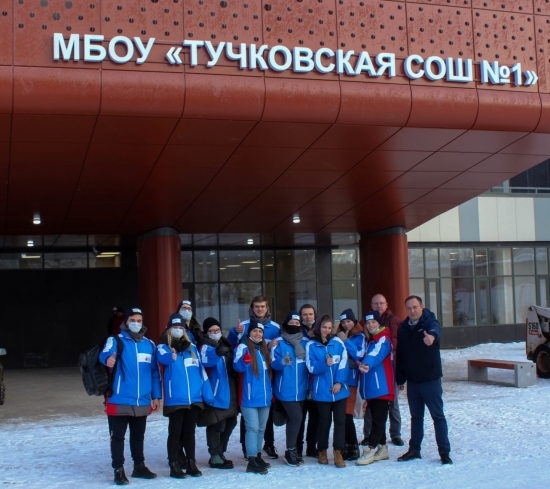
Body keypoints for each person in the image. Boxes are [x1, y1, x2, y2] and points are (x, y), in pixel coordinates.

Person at [99, 307, 161, 486]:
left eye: (139, 320)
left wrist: (156, 396)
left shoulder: (149, 344)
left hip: (142, 399)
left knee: (138, 436)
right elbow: (104, 354)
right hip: (119, 397)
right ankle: (118, 469)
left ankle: (139, 466)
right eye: (132, 320)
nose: (136, 323)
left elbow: (154, 372)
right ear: (126, 322)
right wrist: (107, 359)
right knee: (118, 436)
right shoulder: (115, 340)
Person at [156, 313, 214, 479]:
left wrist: (207, 394)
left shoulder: (192, 348)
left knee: (190, 432)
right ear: (169, 329)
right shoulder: (163, 347)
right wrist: (171, 355)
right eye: (175, 327)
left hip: (194, 398)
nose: (178, 330)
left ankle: (190, 462)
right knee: (175, 432)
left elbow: (201, 372)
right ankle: (174, 463)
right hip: (176, 398)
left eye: (180, 327)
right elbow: (162, 358)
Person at [396, 295, 452, 465]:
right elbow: (401, 354)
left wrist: (432, 337)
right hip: (413, 381)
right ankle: (414, 449)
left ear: (422, 307)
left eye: (415, 307)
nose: (412, 311)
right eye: (409, 308)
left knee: (438, 416)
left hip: (430, 379)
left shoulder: (429, 322)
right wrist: (400, 378)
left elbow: (435, 330)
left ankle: (444, 452)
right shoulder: (403, 328)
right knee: (416, 417)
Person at [228, 295, 280, 459]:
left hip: (264, 393)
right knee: (251, 426)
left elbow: (272, 363)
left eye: (262, 306)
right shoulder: (243, 334)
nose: (260, 309)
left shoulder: (272, 333)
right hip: (249, 393)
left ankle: (259, 452)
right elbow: (235, 359)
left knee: (261, 427)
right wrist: (235, 333)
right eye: (257, 306)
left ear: (267, 308)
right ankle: (250, 453)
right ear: (252, 308)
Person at [305, 314, 350, 468]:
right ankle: (322, 450)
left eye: (330, 328)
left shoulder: (337, 342)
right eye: (324, 327)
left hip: (339, 390)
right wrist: (325, 364)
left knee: (340, 422)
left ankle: (338, 452)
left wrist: (339, 382)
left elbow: (344, 363)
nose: (327, 330)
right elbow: (311, 367)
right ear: (319, 327)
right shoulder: (311, 345)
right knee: (324, 422)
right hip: (322, 391)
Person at [197, 317, 238, 470]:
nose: (215, 333)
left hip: (230, 390)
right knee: (216, 424)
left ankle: (220, 452)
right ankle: (215, 455)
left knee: (231, 422)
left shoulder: (225, 344)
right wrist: (216, 353)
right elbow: (207, 360)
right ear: (206, 332)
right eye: (211, 330)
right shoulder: (205, 346)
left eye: (217, 330)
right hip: (215, 391)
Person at [362, 293, 404, 446]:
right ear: (371, 305)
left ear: (386, 305)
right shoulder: (364, 323)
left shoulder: (396, 321)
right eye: (376, 303)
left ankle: (395, 434)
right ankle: (369, 435)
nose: (379, 306)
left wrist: (401, 374)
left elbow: (401, 349)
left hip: (390, 370)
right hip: (372, 373)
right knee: (372, 407)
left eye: (381, 303)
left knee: (393, 405)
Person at [234, 318, 273, 475]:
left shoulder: (264, 349)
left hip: (264, 397)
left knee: (261, 428)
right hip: (248, 397)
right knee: (252, 428)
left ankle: (257, 456)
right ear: (249, 332)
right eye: (255, 331)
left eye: (260, 331)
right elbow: (237, 366)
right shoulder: (243, 347)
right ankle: (251, 459)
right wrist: (244, 361)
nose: (257, 334)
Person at [270, 311, 309, 467]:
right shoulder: (278, 342)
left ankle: (294, 449)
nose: (294, 325)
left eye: (297, 323)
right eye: (291, 323)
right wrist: (282, 362)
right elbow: (273, 363)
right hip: (285, 389)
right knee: (296, 417)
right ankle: (290, 450)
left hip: (302, 389)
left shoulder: (306, 341)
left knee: (296, 419)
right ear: (286, 324)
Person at [356, 310, 394, 466]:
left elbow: (376, 355)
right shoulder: (371, 341)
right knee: (377, 419)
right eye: (368, 323)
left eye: (373, 322)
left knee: (378, 421)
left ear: (379, 323)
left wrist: (366, 364)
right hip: (373, 388)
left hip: (381, 387)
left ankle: (371, 448)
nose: (370, 325)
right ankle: (382, 448)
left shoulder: (383, 339)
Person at [336, 308, 365, 461]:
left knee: (347, 414)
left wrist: (346, 342)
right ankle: (346, 445)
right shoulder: (337, 336)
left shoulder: (360, 336)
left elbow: (359, 355)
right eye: (343, 322)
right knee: (340, 415)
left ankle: (353, 446)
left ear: (354, 321)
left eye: (348, 321)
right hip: (338, 380)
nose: (346, 324)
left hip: (351, 380)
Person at [296, 304, 319, 458]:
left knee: (315, 417)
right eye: (305, 314)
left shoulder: (319, 331)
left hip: (316, 381)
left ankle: (312, 446)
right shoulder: (297, 331)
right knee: (300, 417)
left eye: (310, 314)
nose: (308, 317)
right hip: (301, 381)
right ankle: (297, 447)